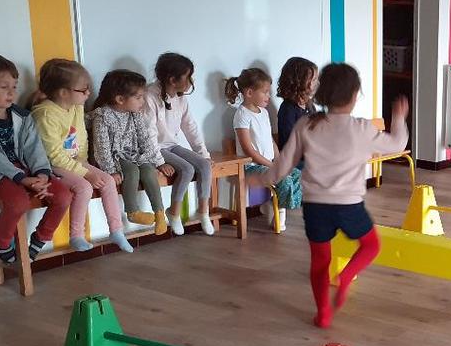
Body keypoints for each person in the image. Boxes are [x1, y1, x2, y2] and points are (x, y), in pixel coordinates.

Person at [247, 63, 408, 328]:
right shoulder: (361, 128)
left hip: (315, 206)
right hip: (349, 205)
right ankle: (345, 277)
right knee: (371, 246)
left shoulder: (306, 124)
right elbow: (398, 144)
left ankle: (323, 314)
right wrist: (399, 117)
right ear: (355, 95)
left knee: (320, 262)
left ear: (322, 94)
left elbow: (283, 165)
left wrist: (260, 180)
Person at [0, 52, 73, 264]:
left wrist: (42, 174)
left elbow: (34, 148)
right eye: (4, 87)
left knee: (63, 195)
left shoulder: (22, 116)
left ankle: (41, 237)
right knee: (18, 202)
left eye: (14, 87)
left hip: (24, 170)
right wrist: (22, 179)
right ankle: (1, 242)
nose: (11, 93)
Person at [31, 58, 133, 253]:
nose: (88, 93)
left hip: (73, 161)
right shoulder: (45, 115)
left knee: (108, 181)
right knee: (84, 187)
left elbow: (81, 137)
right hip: (51, 165)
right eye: (83, 90)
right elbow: (54, 156)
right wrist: (86, 173)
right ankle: (76, 235)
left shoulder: (76, 106)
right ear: (63, 92)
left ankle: (116, 231)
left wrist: (84, 163)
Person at [91, 70, 172, 236]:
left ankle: (159, 213)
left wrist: (157, 161)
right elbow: (102, 147)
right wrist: (111, 171)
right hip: (115, 157)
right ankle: (133, 212)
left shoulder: (135, 114)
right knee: (132, 171)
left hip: (135, 154)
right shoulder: (103, 116)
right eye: (139, 97)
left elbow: (145, 139)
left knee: (149, 171)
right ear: (120, 99)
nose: (143, 101)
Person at [144, 52, 214, 236]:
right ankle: (173, 212)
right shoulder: (150, 96)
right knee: (187, 169)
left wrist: (203, 153)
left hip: (172, 146)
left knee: (205, 165)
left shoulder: (181, 98)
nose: (191, 81)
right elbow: (149, 134)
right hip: (156, 149)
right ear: (172, 80)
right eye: (188, 77)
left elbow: (190, 127)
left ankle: (203, 212)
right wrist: (159, 162)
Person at [227, 67, 302, 232]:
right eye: (265, 92)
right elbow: (248, 150)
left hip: (268, 163)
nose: (269, 96)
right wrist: (272, 165)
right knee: (283, 179)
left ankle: (272, 205)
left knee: (297, 174)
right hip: (250, 166)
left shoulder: (264, 113)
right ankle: (278, 215)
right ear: (249, 93)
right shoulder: (242, 115)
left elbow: (270, 141)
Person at [276, 56, 319, 152]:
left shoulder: (310, 105)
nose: (316, 83)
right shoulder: (287, 109)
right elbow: (291, 142)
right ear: (299, 82)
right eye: (313, 79)